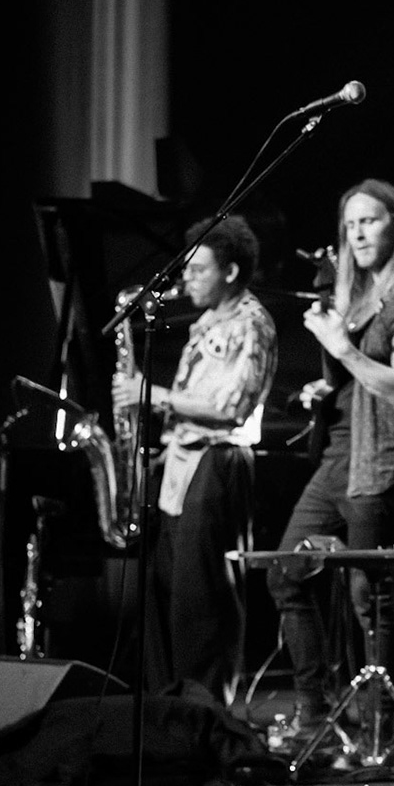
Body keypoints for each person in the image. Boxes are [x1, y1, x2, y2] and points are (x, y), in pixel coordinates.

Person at [269, 179, 394, 745]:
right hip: (340, 457)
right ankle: (314, 713)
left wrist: (342, 349)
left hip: (383, 462)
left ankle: (380, 728)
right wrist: (324, 388)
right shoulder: (364, 296)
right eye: (349, 223)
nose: (356, 233)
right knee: (285, 570)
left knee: (367, 596)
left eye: (369, 221)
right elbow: (361, 382)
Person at [113, 214, 277, 702]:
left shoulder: (252, 323)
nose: (186, 280)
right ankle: (169, 709)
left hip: (219, 462)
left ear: (230, 272)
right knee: (167, 593)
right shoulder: (207, 321)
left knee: (203, 603)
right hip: (182, 466)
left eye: (198, 270)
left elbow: (232, 408)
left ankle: (204, 715)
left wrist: (153, 395)